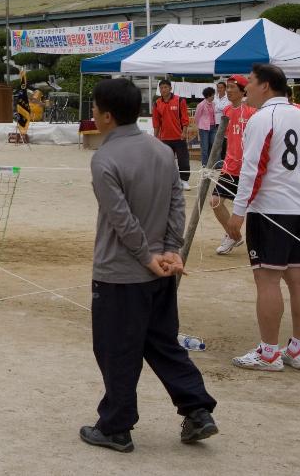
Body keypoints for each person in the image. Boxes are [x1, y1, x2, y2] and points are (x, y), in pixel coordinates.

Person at [79, 77, 217, 453]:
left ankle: (116, 426)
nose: (92, 113)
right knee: (163, 344)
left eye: (94, 108)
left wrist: (147, 256)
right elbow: (177, 202)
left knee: (116, 349)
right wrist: (171, 250)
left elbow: (121, 219)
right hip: (161, 271)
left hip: (121, 273)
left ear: (106, 116)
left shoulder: (104, 159)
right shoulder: (161, 151)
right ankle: (198, 409)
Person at [225, 63, 300, 371]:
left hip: (271, 210)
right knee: (298, 278)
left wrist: (237, 215)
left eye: (250, 82)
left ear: (266, 86)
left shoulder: (263, 117)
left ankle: (269, 352)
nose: (246, 87)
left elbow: (251, 170)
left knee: (266, 279)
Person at [211, 75, 255, 255]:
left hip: (248, 168)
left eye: (232, 87)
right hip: (230, 166)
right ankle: (233, 236)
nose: (228, 90)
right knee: (215, 202)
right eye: (226, 87)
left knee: (252, 208)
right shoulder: (227, 111)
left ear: (243, 90)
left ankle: (261, 241)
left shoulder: (253, 111)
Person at [152, 80, 191, 189]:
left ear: (170, 88)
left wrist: (184, 132)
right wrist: (156, 138)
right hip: (164, 138)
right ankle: (168, 181)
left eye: (165, 87)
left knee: (183, 159)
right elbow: (156, 122)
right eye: (161, 88)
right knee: (166, 161)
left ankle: (184, 180)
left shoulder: (180, 100)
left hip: (179, 137)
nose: (163, 90)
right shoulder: (157, 103)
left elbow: (185, 119)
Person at [194, 87, 218, 167]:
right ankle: (205, 165)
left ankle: (212, 163)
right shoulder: (201, 104)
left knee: (213, 145)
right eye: (212, 95)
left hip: (213, 127)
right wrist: (200, 125)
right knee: (205, 147)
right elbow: (196, 116)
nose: (214, 97)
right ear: (208, 95)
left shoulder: (214, 104)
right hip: (204, 128)